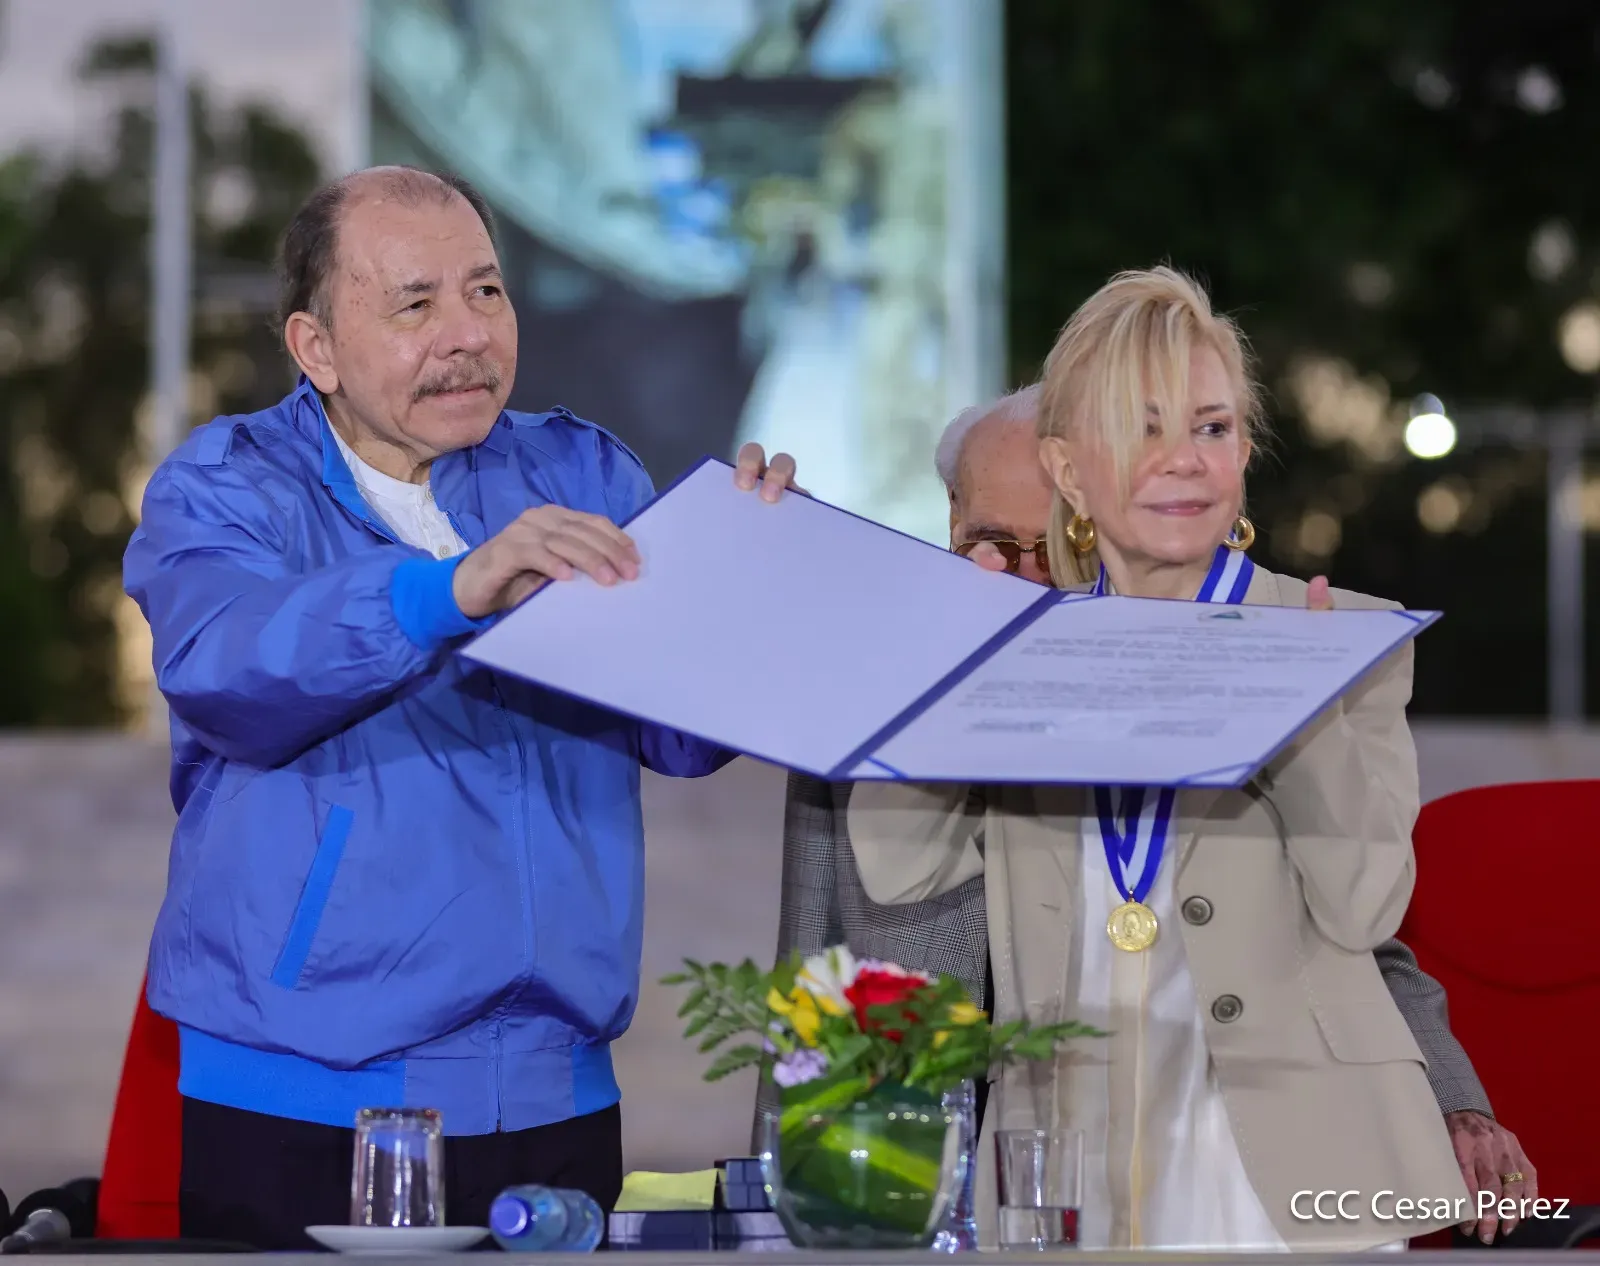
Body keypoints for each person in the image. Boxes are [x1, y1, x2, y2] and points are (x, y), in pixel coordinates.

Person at [122, 165, 799, 1250]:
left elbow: (679, 734)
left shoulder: (583, 472)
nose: (468, 334)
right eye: (415, 304)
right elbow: (228, 669)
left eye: (486, 291)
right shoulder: (226, 486)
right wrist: (448, 592)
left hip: (557, 1093)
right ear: (315, 348)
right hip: (302, 1099)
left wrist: (753, 578)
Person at [770, 380, 1533, 1244]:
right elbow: (822, 938)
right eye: (993, 543)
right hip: (929, 1159)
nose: (1022, 576)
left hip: (1182, 1160)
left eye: (1054, 546)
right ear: (952, 524)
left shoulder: (1205, 673)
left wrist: (1454, 1100)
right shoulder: (890, 682)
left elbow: (1352, 935)